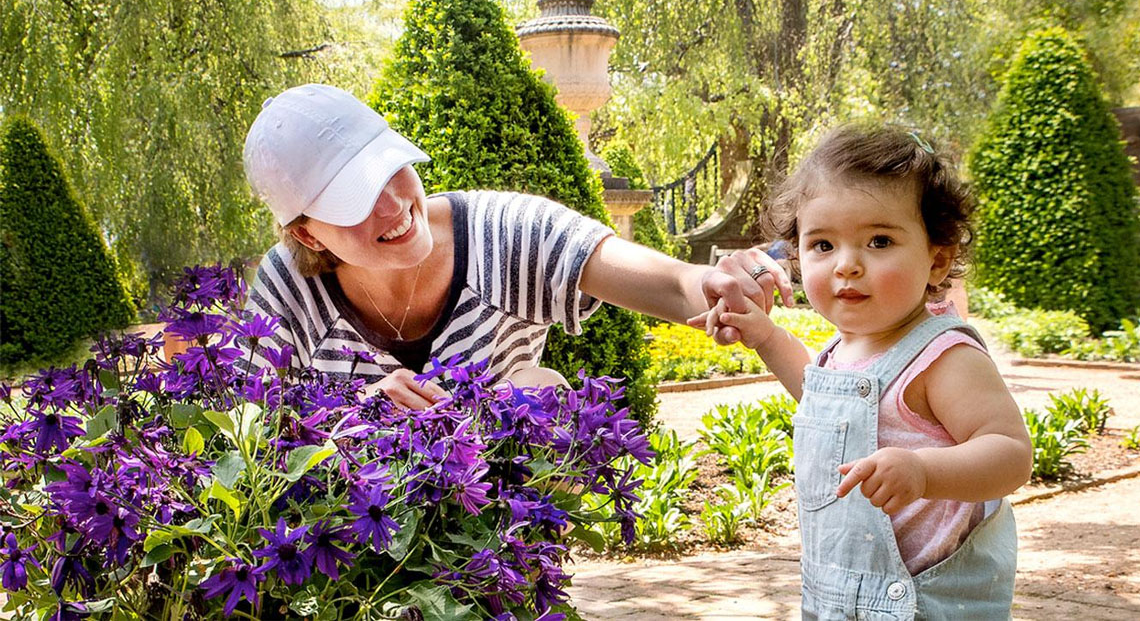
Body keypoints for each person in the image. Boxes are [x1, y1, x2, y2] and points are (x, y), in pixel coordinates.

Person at [239, 83, 788, 408]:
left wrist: (716, 282)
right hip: (358, 574)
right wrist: (358, 414)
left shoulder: (502, 231)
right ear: (308, 233)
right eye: (352, 201)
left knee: (537, 387)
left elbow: (671, 284)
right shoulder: (288, 286)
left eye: (389, 170)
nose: (392, 206)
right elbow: (245, 430)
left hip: (501, 551)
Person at [693, 124, 1032, 618]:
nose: (847, 265)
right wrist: (765, 335)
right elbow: (819, 395)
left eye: (878, 241)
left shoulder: (943, 358)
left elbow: (1011, 455)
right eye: (823, 245)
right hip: (835, 594)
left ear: (938, 260)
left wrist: (923, 472)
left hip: (924, 601)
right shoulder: (845, 349)